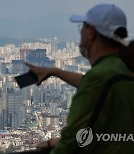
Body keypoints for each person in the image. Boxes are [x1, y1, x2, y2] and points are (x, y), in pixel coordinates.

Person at [25, 3, 134, 154]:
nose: (80, 33)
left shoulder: (99, 78)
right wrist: (55, 71)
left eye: (82, 27)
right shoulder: (123, 71)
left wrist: (54, 144)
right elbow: (98, 88)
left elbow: (73, 139)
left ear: (92, 33)